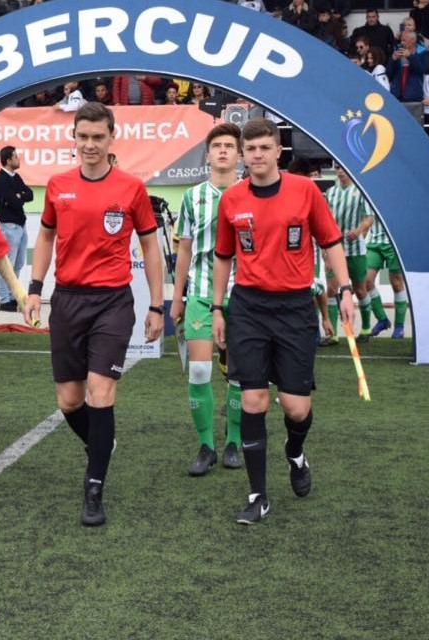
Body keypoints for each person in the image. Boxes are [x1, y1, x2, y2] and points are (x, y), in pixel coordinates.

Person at [24, 102, 165, 527]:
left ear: (110, 138)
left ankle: (94, 486)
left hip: (112, 303)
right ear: (74, 138)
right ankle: (102, 444)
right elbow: (46, 235)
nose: (89, 145)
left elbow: (150, 247)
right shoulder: (58, 185)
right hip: (67, 301)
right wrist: (34, 288)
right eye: (82, 137)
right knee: (69, 401)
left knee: (100, 394)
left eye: (97, 137)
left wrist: (158, 304)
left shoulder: (131, 188)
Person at [211, 118, 354, 525]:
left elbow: (330, 242)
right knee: (253, 401)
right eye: (250, 149)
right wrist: (218, 307)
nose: (256, 155)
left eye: (263, 148)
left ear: (278, 152)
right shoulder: (232, 200)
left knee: (295, 407)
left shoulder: (305, 190)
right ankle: (258, 495)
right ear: (243, 154)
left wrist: (344, 290)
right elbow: (224, 256)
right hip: (249, 309)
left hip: (294, 310)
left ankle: (295, 453)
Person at [170, 123, 244, 477]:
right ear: (209, 154)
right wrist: (177, 296)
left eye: (230, 146)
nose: (224, 151)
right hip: (200, 293)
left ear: (240, 155)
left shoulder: (252, 193)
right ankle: (207, 446)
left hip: (244, 295)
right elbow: (184, 249)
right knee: (200, 369)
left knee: (241, 376)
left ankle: (234, 441)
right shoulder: (191, 197)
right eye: (218, 146)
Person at [322, 165, 374, 344]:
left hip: (356, 250)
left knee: (360, 289)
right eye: (337, 168)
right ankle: (333, 334)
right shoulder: (330, 193)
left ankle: (366, 328)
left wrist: (358, 230)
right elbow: (323, 221)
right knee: (331, 289)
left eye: (343, 168)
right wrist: (325, 251)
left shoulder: (360, 192)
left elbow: (369, 217)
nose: (340, 171)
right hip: (334, 248)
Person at [0, 145, 33, 312]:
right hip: (9, 225)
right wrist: (18, 196)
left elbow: (28, 195)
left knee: (19, 263)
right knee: (7, 264)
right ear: (8, 159)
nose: (18, 159)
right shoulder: (0, 179)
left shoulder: (16, 178)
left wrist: (19, 196)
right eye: (15, 156)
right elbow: (15, 201)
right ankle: (5, 299)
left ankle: (12, 295)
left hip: (20, 224)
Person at [364, 212, 409, 340]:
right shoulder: (369, 192)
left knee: (396, 283)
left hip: (394, 242)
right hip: (373, 242)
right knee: (366, 281)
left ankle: (399, 327)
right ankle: (382, 319)